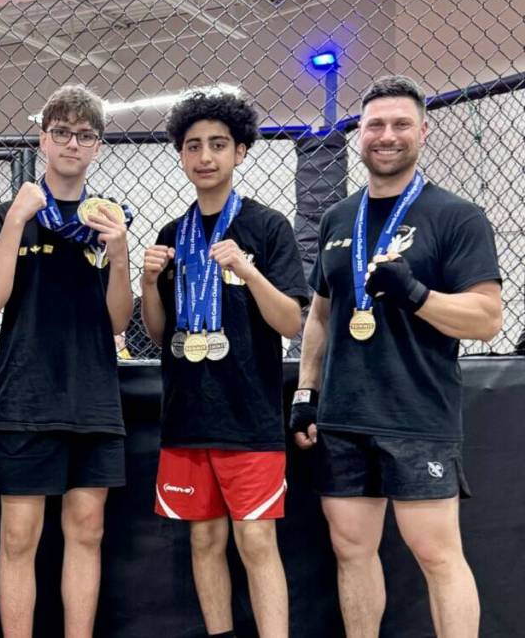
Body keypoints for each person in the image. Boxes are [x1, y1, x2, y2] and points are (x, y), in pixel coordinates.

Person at [291, 75, 503, 638]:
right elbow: (320, 313)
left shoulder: (457, 217)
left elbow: (486, 318)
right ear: (359, 135)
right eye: (375, 125)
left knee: (437, 556)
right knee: (351, 552)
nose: (387, 135)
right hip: (344, 415)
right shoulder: (338, 218)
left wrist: (417, 294)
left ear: (422, 133)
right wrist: (307, 393)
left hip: (417, 416)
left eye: (400, 124)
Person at [140, 87, 307, 638]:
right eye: (193, 146)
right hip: (187, 413)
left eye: (218, 144)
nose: (205, 156)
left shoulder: (267, 227)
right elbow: (162, 334)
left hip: (249, 412)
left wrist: (249, 270)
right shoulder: (172, 235)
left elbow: (291, 323)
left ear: (240, 152)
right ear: (181, 155)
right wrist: (147, 282)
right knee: (204, 539)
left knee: (256, 540)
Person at [0, 84, 132, 638]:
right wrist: (17, 221)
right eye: (61, 133)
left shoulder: (110, 218)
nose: (72, 144)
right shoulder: (6, 214)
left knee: (86, 531)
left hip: (92, 395)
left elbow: (117, 320)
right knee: (19, 536)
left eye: (85, 135)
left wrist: (119, 256)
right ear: (43, 139)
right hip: (26, 396)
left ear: (98, 146)